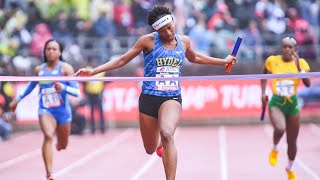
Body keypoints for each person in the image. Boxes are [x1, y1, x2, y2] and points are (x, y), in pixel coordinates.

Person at [75, 5, 236, 180]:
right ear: (156, 30)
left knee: (167, 134)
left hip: (171, 97)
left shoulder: (184, 42)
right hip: (149, 99)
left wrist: (223, 61)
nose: (168, 33)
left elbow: (195, 57)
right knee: (150, 149)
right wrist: (93, 71)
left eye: (169, 27)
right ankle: (161, 144)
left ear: (173, 21)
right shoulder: (148, 41)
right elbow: (122, 59)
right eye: (162, 30)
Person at [9, 39, 80, 180]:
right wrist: (17, 100)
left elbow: (76, 92)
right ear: (44, 51)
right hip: (45, 109)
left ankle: (60, 143)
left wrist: (63, 87)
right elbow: (31, 86)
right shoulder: (39, 70)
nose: (51, 51)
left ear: (60, 52)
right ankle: (49, 174)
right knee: (48, 136)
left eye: (54, 49)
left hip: (63, 111)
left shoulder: (66, 69)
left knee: (63, 145)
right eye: (48, 49)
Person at [261, 37, 311, 180]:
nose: (287, 49)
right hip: (276, 102)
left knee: (292, 141)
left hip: (292, 103)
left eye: (290, 47)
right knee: (280, 128)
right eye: (284, 47)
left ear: (295, 50)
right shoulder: (272, 60)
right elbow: (262, 75)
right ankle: (275, 148)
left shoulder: (301, 63)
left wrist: (299, 68)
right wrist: (263, 93)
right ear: (280, 48)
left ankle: (289, 168)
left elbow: (307, 84)